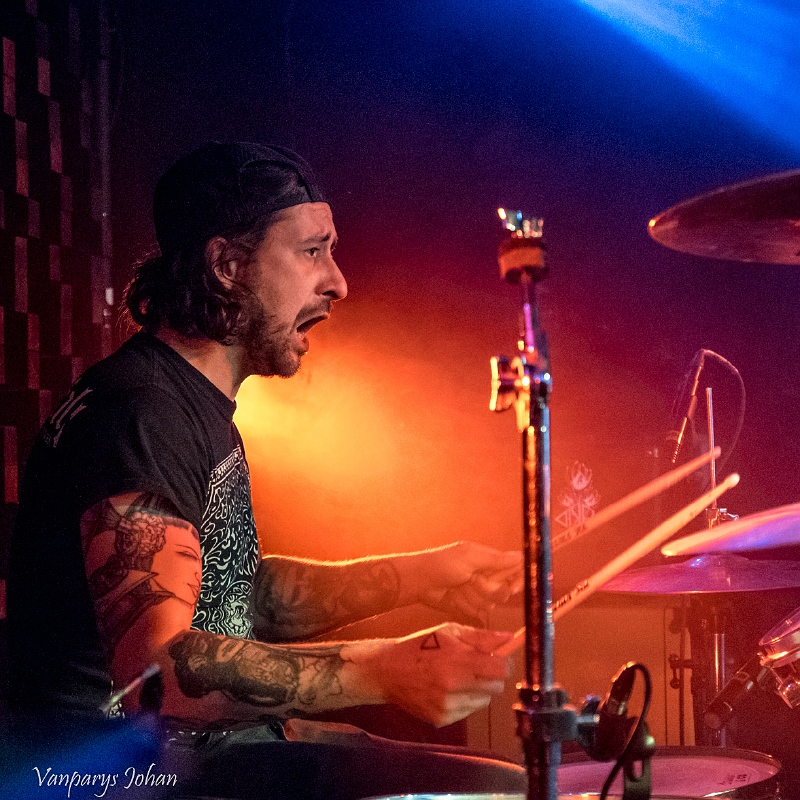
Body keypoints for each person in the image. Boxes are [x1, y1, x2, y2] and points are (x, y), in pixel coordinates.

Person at [6, 142, 526, 799]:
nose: (337, 282)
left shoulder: (188, 403)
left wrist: (418, 575)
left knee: (496, 781)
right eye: (312, 251)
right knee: (498, 793)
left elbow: (229, 597)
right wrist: (380, 670)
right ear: (227, 266)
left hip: (192, 758)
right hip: (113, 777)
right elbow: (159, 674)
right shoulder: (141, 413)